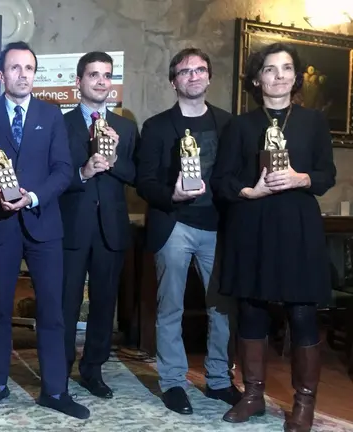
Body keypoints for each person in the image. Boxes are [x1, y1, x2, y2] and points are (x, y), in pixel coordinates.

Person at [211, 42, 336, 432]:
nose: (278, 76)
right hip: (253, 224)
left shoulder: (313, 122)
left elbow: (326, 175)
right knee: (251, 310)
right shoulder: (239, 125)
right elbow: (221, 180)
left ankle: (304, 403)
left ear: (296, 77)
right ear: (256, 77)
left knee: (301, 314)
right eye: (270, 69)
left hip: (298, 226)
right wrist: (250, 191)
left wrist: (303, 178)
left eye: (286, 69)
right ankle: (252, 395)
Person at [0, 41, 89, 419]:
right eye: (14, 68)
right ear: (1, 75)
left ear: (35, 74)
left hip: (44, 225)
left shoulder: (52, 116)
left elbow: (64, 170)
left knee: (52, 311)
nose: (22, 74)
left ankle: (54, 390)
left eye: (29, 68)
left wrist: (33, 197)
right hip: (0, 226)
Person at [134, 47, 241, 415]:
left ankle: (218, 380)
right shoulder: (157, 126)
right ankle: (174, 383)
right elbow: (144, 181)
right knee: (171, 308)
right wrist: (172, 193)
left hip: (218, 227)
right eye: (184, 71)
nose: (193, 76)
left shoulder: (230, 124)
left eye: (199, 70)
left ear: (209, 77)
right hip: (175, 223)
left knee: (223, 309)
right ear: (173, 80)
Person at [59, 51, 138, 399]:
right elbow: (54, 177)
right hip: (71, 228)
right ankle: (58, 371)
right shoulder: (60, 125)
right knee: (66, 304)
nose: (102, 82)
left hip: (111, 229)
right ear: (79, 82)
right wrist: (83, 173)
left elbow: (136, 176)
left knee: (105, 305)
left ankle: (93, 369)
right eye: (94, 75)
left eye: (107, 75)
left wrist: (116, 161)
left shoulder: (125, 127)